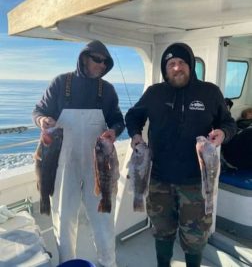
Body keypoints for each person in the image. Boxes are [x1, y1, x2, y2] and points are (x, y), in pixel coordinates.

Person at [125, 42, 237, 267]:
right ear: (165, 69)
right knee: (161, 231)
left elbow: (228, 123)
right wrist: (136, 135)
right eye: (172, 64)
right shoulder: (155, 93)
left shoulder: (209, 92)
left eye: (182, 63)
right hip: (158, 180)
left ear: (191, 65)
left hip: (197, 184)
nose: (177, 68)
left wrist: (222, 134)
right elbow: (133, 116)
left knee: (195, 239)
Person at [32, 40, 125, 267]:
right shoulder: (61, 83)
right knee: (63, 218)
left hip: (98, 162)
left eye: (105, 62)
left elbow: (117, 119)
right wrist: (43, 120)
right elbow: (39, 111)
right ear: (84, 58)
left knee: (103, 218)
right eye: (97, 60)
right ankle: (67, 263)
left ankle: (108, 263)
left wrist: (114, 131)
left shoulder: (108, 90)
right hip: (65, 162)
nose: (102, 65)